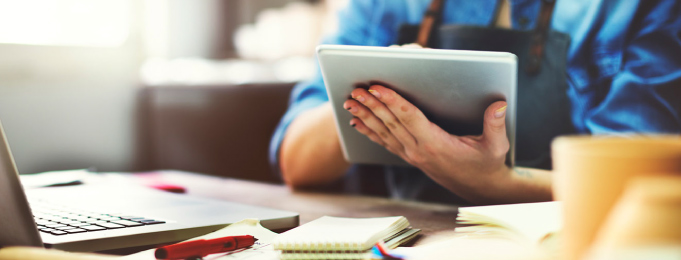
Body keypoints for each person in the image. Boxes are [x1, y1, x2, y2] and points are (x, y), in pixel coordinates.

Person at [269, 0, 681, 205]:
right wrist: (376, 90)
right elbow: (297, 160)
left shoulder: (638, 8)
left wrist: (495, 184)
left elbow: (641, 188)